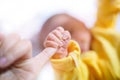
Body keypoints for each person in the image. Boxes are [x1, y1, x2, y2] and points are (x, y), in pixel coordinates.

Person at [42, 0, 120, 80]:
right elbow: (67, 74)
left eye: (71, 32)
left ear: (81, 23)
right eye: (61, 44)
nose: (71, 42)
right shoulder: (78, 67)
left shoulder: (101, 29)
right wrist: (61, 58)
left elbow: (107, 7)